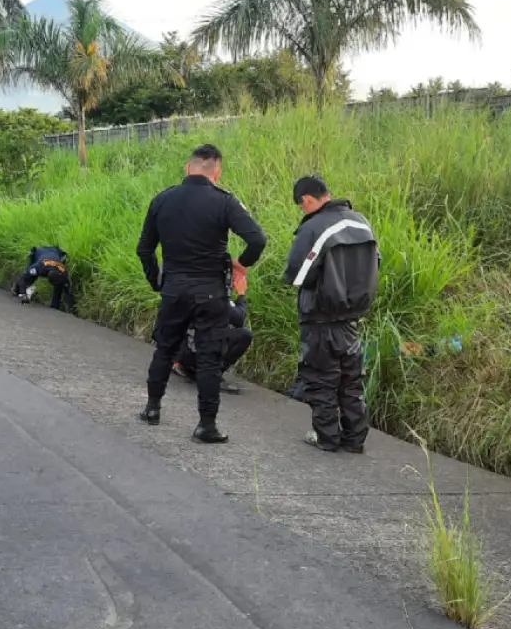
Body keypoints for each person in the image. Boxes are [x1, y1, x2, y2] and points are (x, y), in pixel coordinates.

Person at [136, 143, 268, 443]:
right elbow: (257, 239)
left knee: (165, 350)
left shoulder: (162, 199)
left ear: (188, 168)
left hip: (174, 289)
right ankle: (206, 425)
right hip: (211, 293)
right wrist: (241, 265)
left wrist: (157, 282)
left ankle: (152, 409)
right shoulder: (225, 201)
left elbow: (144, 248)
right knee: (209, 358)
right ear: (217, 174)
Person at [283, 175, 380, 453]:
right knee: (351, 381)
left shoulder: (314, 227)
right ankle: (355, 439)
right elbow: (376, 263)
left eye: (301, 206)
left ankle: (327, 437)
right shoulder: (361, 222)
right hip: (352, 320)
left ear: (307, 200)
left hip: (320, 318)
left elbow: (297, 274)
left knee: (321, 380)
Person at [173, 255, 253, 394]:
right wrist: (241, 293)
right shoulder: (216, 293)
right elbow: (239, 318)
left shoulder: (201, 285)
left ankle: (183, 365)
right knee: (244, 335)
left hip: (185, 350)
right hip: (193, 351)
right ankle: (209, 375)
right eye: (240, 277)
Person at [11, 245, 76, 314]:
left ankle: (54, 307)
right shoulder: (39, 267)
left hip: (55, 252)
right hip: (40, 252)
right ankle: (16, 289)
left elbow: (68, 290)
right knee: (30, 277)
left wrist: (72, 308)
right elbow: (24, 277)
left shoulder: (63, 272)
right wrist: (23, 294)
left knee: (59, 286)